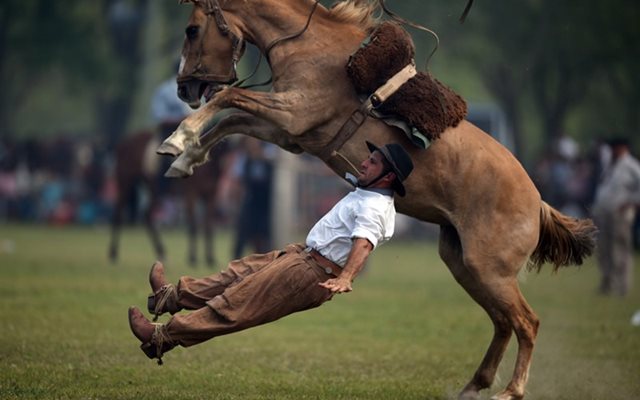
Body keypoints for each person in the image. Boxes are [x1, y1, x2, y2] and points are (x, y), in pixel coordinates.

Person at [128, 141, 414, 364]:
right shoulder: (369, 193)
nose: (364, 162)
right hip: (301, 257)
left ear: (387, 177)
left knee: (235, 304)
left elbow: (364, 242)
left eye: (373, 162)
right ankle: (171, 297)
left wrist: (347, 277)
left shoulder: (375, 207)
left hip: (313, 271)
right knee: (235, 275)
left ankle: (161, 337)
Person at [591, 137, 640, 296]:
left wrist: (631, 202)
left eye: (615, 148)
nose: (613, 151)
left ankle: (621, 286)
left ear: (622, 148)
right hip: (605, 212)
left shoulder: (631, 165)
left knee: (620, 249)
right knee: (604, 249)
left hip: (621, 213)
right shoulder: (610, 165)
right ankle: (607, 283)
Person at [231, 137, 276, 258]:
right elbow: (238, 178)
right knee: (243, 232)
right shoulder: (244, 159)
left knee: (265, 233)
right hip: (250, 198)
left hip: (266, 200)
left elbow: (275, 159)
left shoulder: (269, 153)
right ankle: (235, 261)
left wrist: (261, 156)